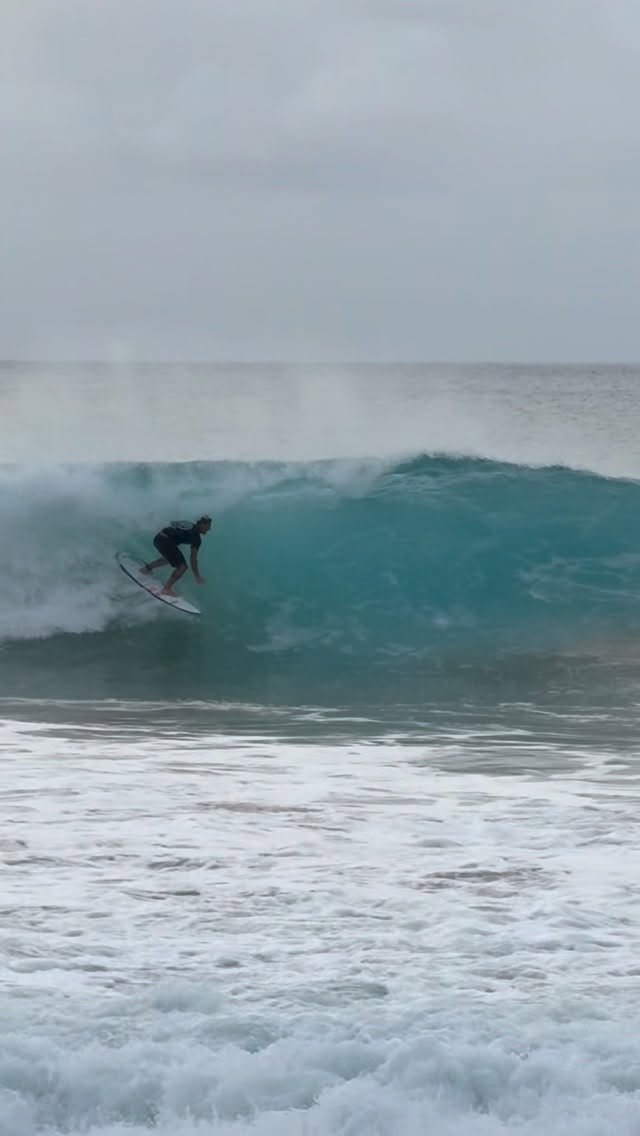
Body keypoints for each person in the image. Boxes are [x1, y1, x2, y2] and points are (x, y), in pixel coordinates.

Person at [142, 516, 213, 596]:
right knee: (182, 567)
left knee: (168, 559)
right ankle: (166, 589)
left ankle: (146, 569)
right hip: (166, 541)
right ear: (202, 524)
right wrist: (197, 576)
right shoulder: (196, 538)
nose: (209, 529)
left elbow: (171, 524)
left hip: (158, 538)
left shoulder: (187, 523)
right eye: (208, 526)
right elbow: (193, 558)